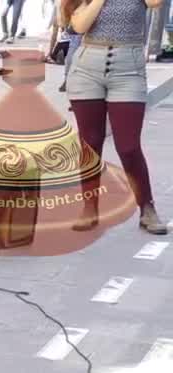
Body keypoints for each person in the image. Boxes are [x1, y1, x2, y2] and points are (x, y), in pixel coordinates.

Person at [63, 0, 167, 234]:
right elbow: (79, 25)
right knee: (90, 143)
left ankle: (147, 207)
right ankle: (89, 207)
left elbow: (156, 2)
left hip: (128, 71)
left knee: (129, 146)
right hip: (87, 70)